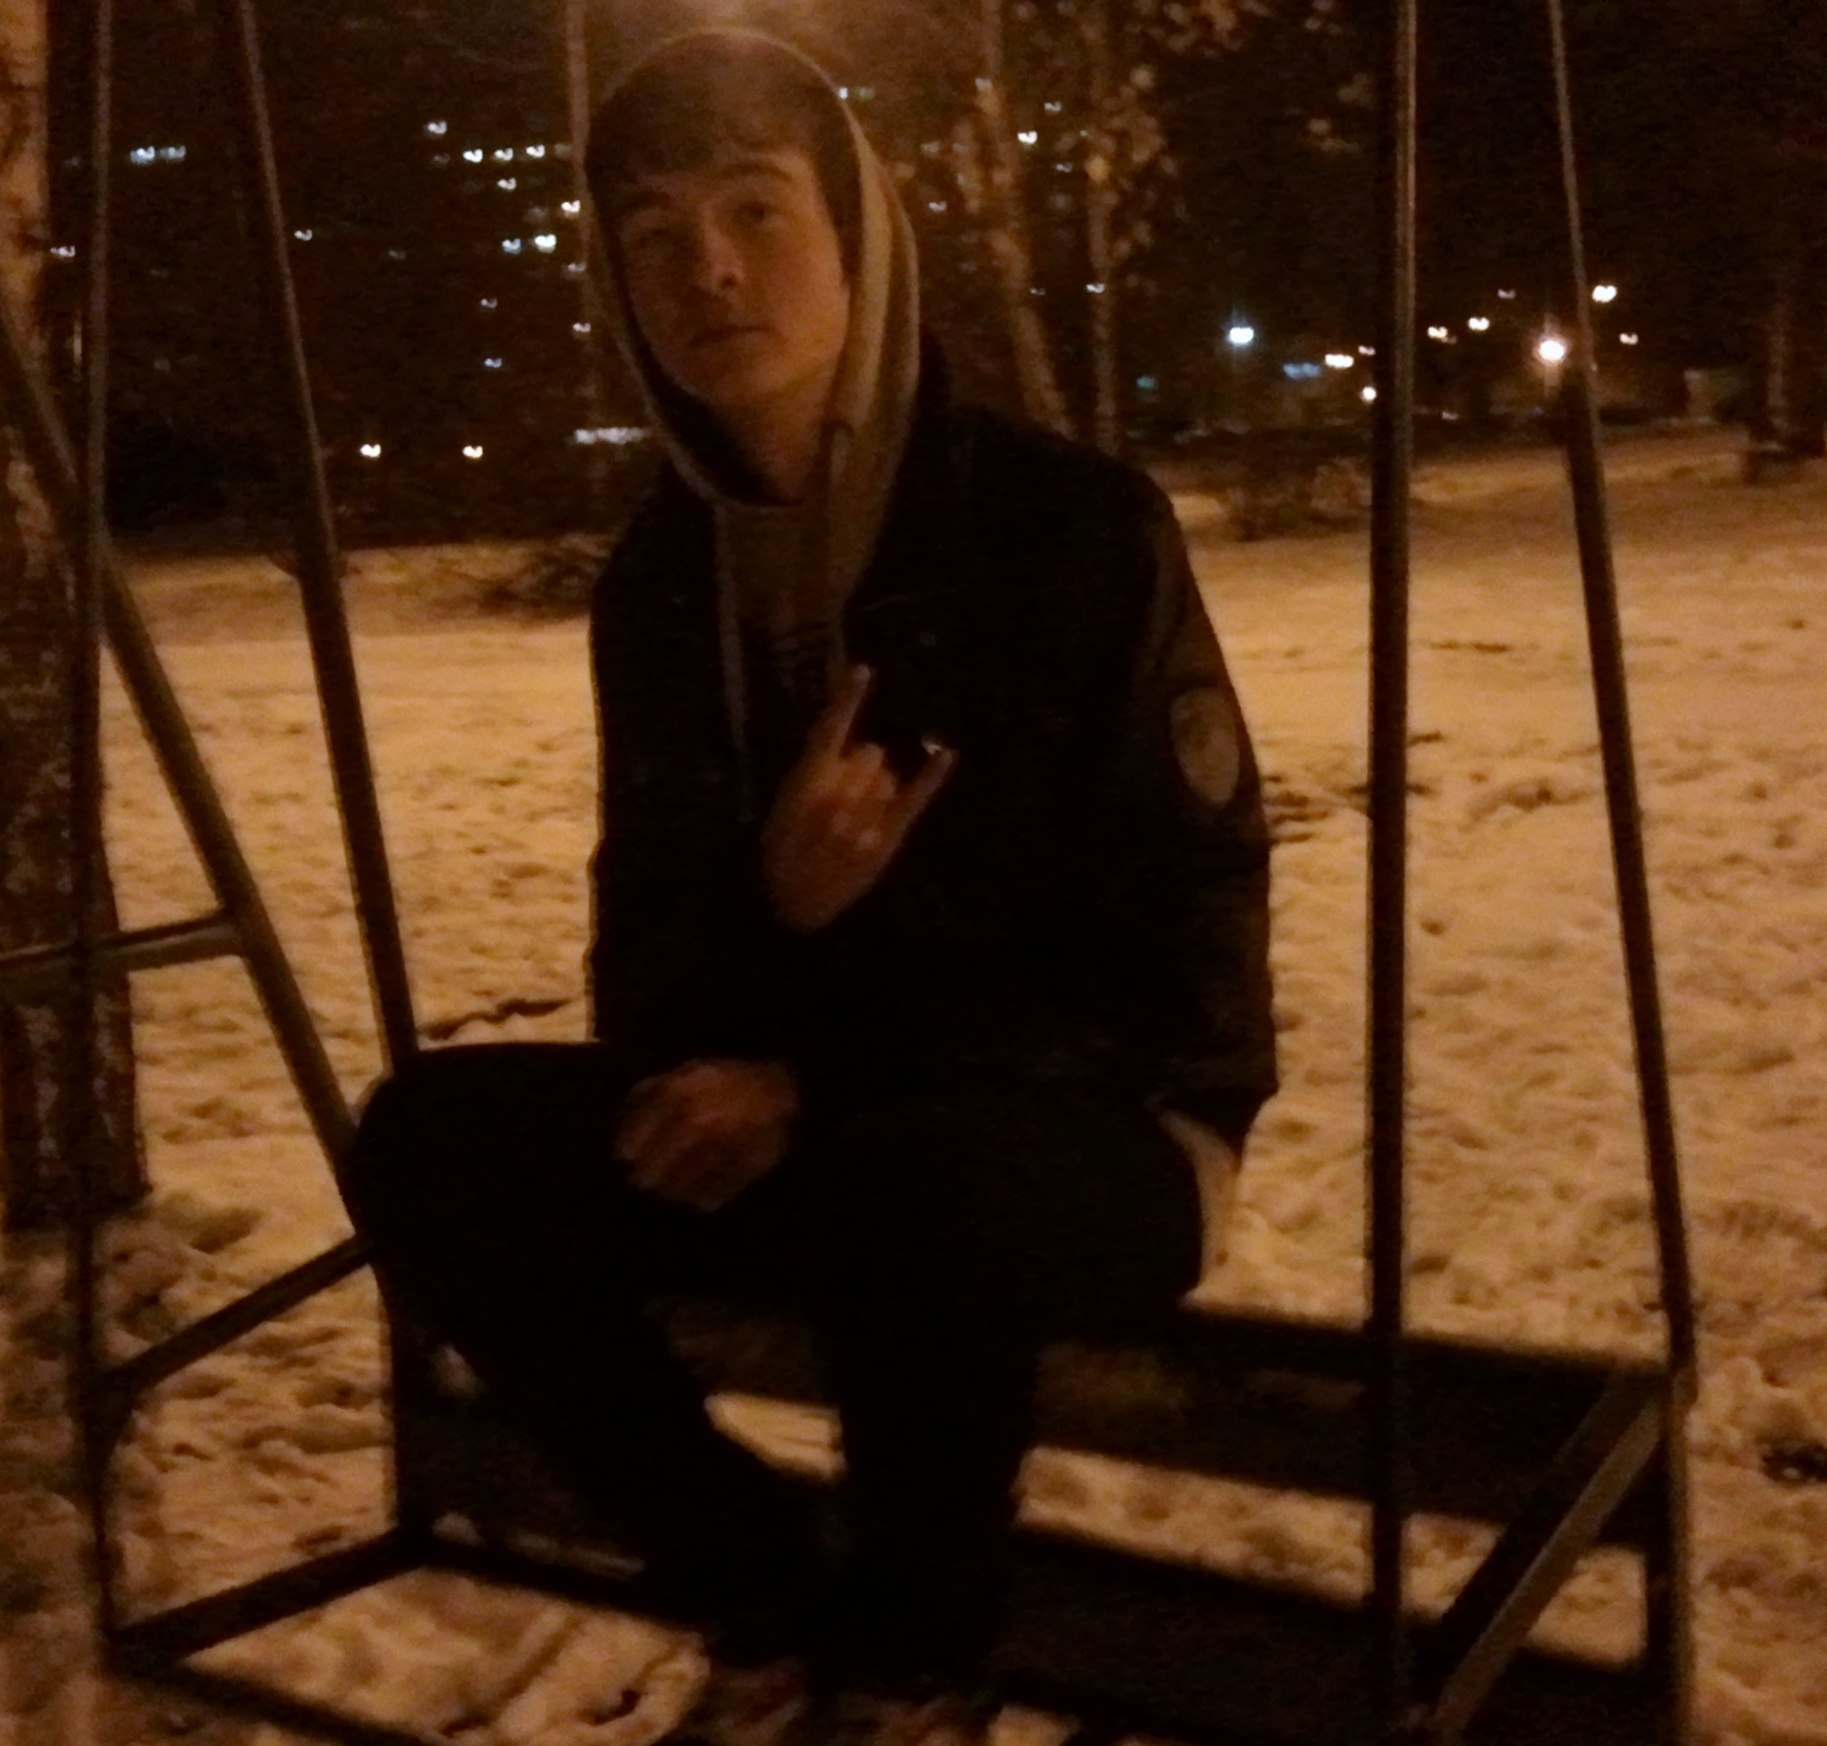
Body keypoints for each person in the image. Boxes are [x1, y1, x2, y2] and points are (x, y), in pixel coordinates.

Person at [334, 30, 1276, 1746]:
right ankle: (760, 1588)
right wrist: (769, 918)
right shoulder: (659, 581)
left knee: (921, 1187)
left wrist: (812, 1068)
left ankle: (912, 1671)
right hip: (828, 1139)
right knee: (430, 1139)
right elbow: (646, 971)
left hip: (1102, 1133)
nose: (705, 267)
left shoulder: (1065, 529)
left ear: (858, 237)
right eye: (653, 234)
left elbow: (1166, 947)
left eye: (755, 210)